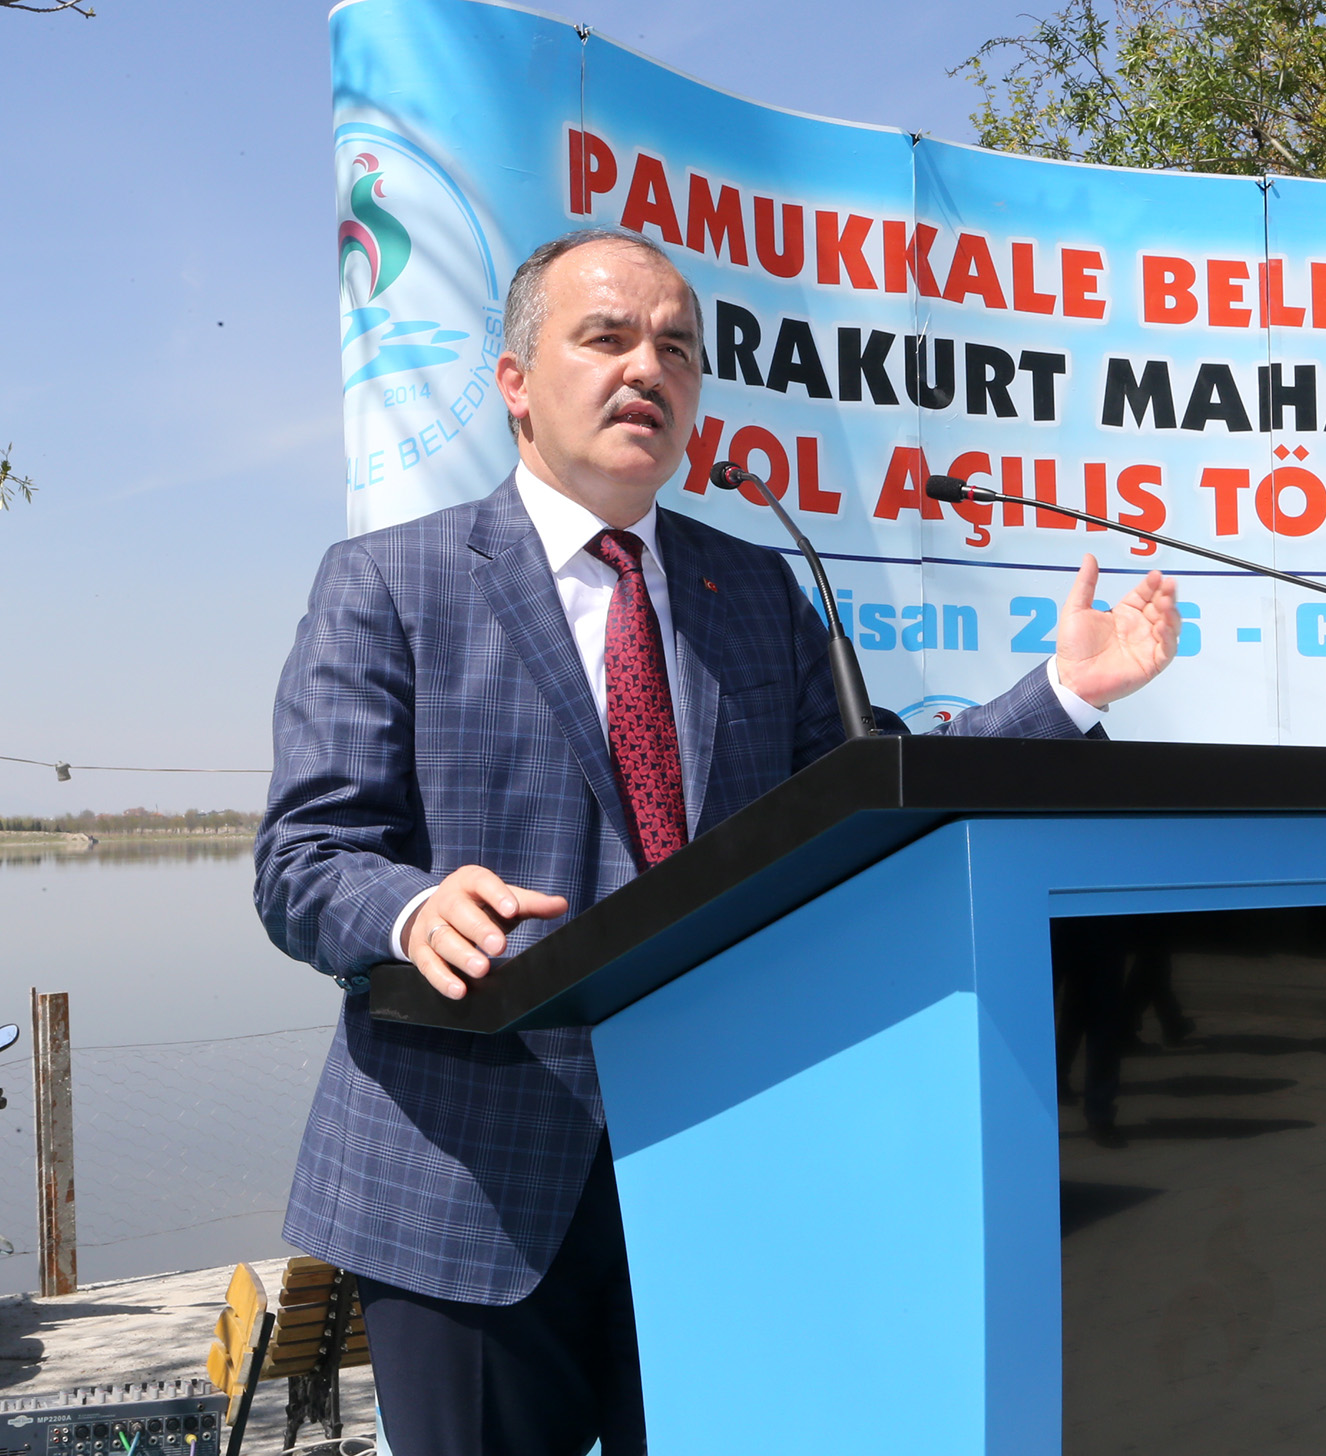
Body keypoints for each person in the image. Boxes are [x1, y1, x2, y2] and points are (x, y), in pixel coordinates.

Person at [254, 227, 1183, 1455]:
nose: (647, 367)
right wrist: (412, 909)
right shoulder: (389, 582)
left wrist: (1062, 694)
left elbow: (871, 798)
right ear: (515, 381)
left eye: (676, 349)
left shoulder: (753, 587)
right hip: (466, 1179)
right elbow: (306, 858)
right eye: (605, 337)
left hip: (722, 1158)